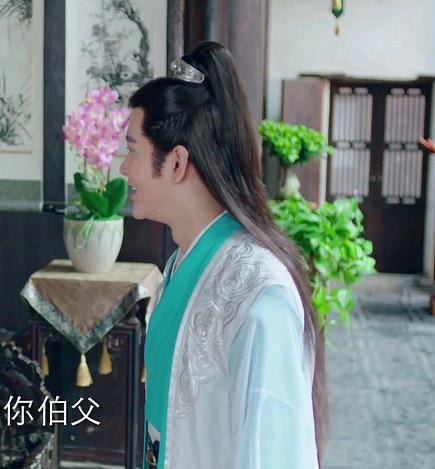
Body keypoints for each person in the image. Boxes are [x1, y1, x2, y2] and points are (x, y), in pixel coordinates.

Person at [120, 41, 324, 469]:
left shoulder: (258, 291)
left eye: (132, 149)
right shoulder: (181, 264)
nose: (123, 167)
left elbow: (274, 451)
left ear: (176, 162)